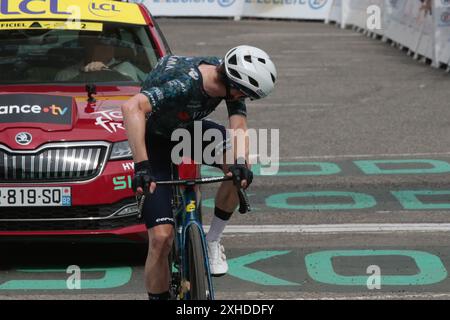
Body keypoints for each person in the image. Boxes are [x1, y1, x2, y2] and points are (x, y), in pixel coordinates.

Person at [121, 45, 277, 300]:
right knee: (161, 239)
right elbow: (131, 108)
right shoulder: (186, 85)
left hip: (187, 130)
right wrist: (142, 166)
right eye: (245, 94)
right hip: (154, 140)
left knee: (241, 169)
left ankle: (212, 239)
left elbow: (238, 124)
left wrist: (238, 162)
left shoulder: (229, 77)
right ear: (233, 84)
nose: (243, 98)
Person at [55, 29, 146, 82]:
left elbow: (131, 94)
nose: (104, 44)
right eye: (95, 39)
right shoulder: (65, 75)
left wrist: (105, 71)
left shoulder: (125, 68)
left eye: (109, 40)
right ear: (83, 42)